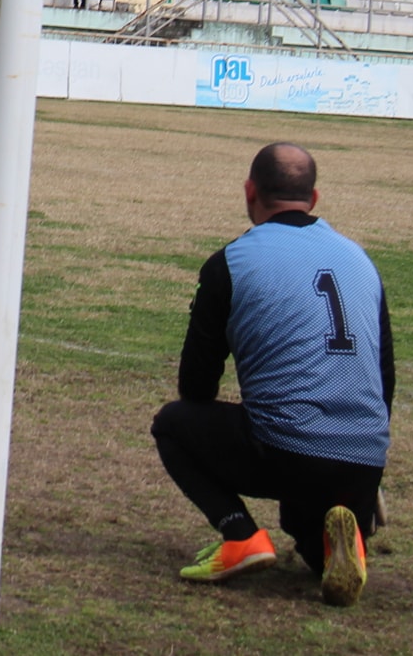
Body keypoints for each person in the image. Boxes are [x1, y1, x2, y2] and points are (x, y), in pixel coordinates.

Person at [150, 143, 390, 606]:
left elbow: (196, 386)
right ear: (314, 198)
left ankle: (240, 536)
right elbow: (385, 379)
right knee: (308, 540)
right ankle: (348, 535)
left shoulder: (232, 262)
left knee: (173, 424)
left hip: (286, 450)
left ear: (249, 191)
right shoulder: (361, 260)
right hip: (363, 456)